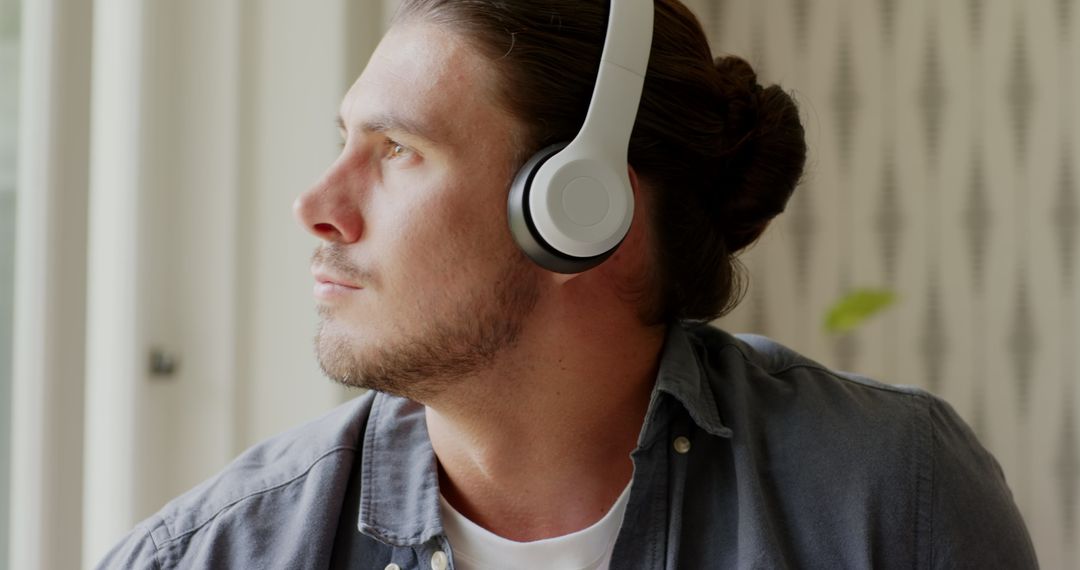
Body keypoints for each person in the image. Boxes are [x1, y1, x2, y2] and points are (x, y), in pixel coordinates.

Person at [98, 0, 1039, 568]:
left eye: (397, 151)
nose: (316, 204)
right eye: (342, 140)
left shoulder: (887, 496)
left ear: (580, 210)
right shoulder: (211, 554)